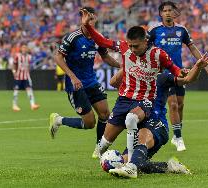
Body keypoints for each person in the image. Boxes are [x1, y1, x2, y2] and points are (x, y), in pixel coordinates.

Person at [80, 9, 186, 162]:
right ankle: (108, 160)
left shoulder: (158, 54)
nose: (132, 50)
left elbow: (175, 69)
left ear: (145, 41)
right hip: (124, 100)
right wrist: (88, 27)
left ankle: (131, 164)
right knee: (103, 145)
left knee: (131, 120)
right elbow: (103, 42)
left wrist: (182, 73)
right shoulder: (124, 48)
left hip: (145, 100)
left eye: (135, 46)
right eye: (130, 46)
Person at [108, 53, 208, 178]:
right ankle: (169, 166)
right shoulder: (134, 77)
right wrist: (127, 65)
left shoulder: (162, 77)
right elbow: (113, 82)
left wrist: (197, 66)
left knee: (141, 141)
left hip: (157, 125)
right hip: (141, 125)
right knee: (127, 162)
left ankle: (132, 170)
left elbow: (187, 79)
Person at [49, 7, 120, 159]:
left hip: (91, 81)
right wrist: (73, 77)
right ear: (83, 19)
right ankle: (59, 120)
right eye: (88, 17)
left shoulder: (98, 37)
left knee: (105, 114)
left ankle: (99, 149)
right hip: (75, 84)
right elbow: (58, 57)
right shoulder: (73, 37)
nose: (91, 21)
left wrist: (122, 66)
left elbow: (105, 57)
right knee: (89, 123)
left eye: (93, 18)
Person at [148, 1, 208, 151]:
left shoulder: (181, 30)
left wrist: (206, 64)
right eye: (164, 11)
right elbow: (144, 47)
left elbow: (192, 47)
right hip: (164, 74)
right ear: (160, 14)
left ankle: (177, 134)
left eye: (170, 10)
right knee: (172, 104)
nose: (168, 13)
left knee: (180, 104)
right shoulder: (154, 30)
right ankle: (178, 138)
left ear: (174, 12)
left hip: (179, 72)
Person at [12, 44, 40, 112]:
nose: (24, 49)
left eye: (25, 48)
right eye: (23, 48)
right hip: (18, 76)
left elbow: (29, 66)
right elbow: (14, 64)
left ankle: (32, 105)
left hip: (26, 76)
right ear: (21, 49)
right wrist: (14, 72)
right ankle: (14, 105)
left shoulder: (29, 57)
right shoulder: (18, 56)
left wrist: (28, 72)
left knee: (29, 90)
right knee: (16, 90)